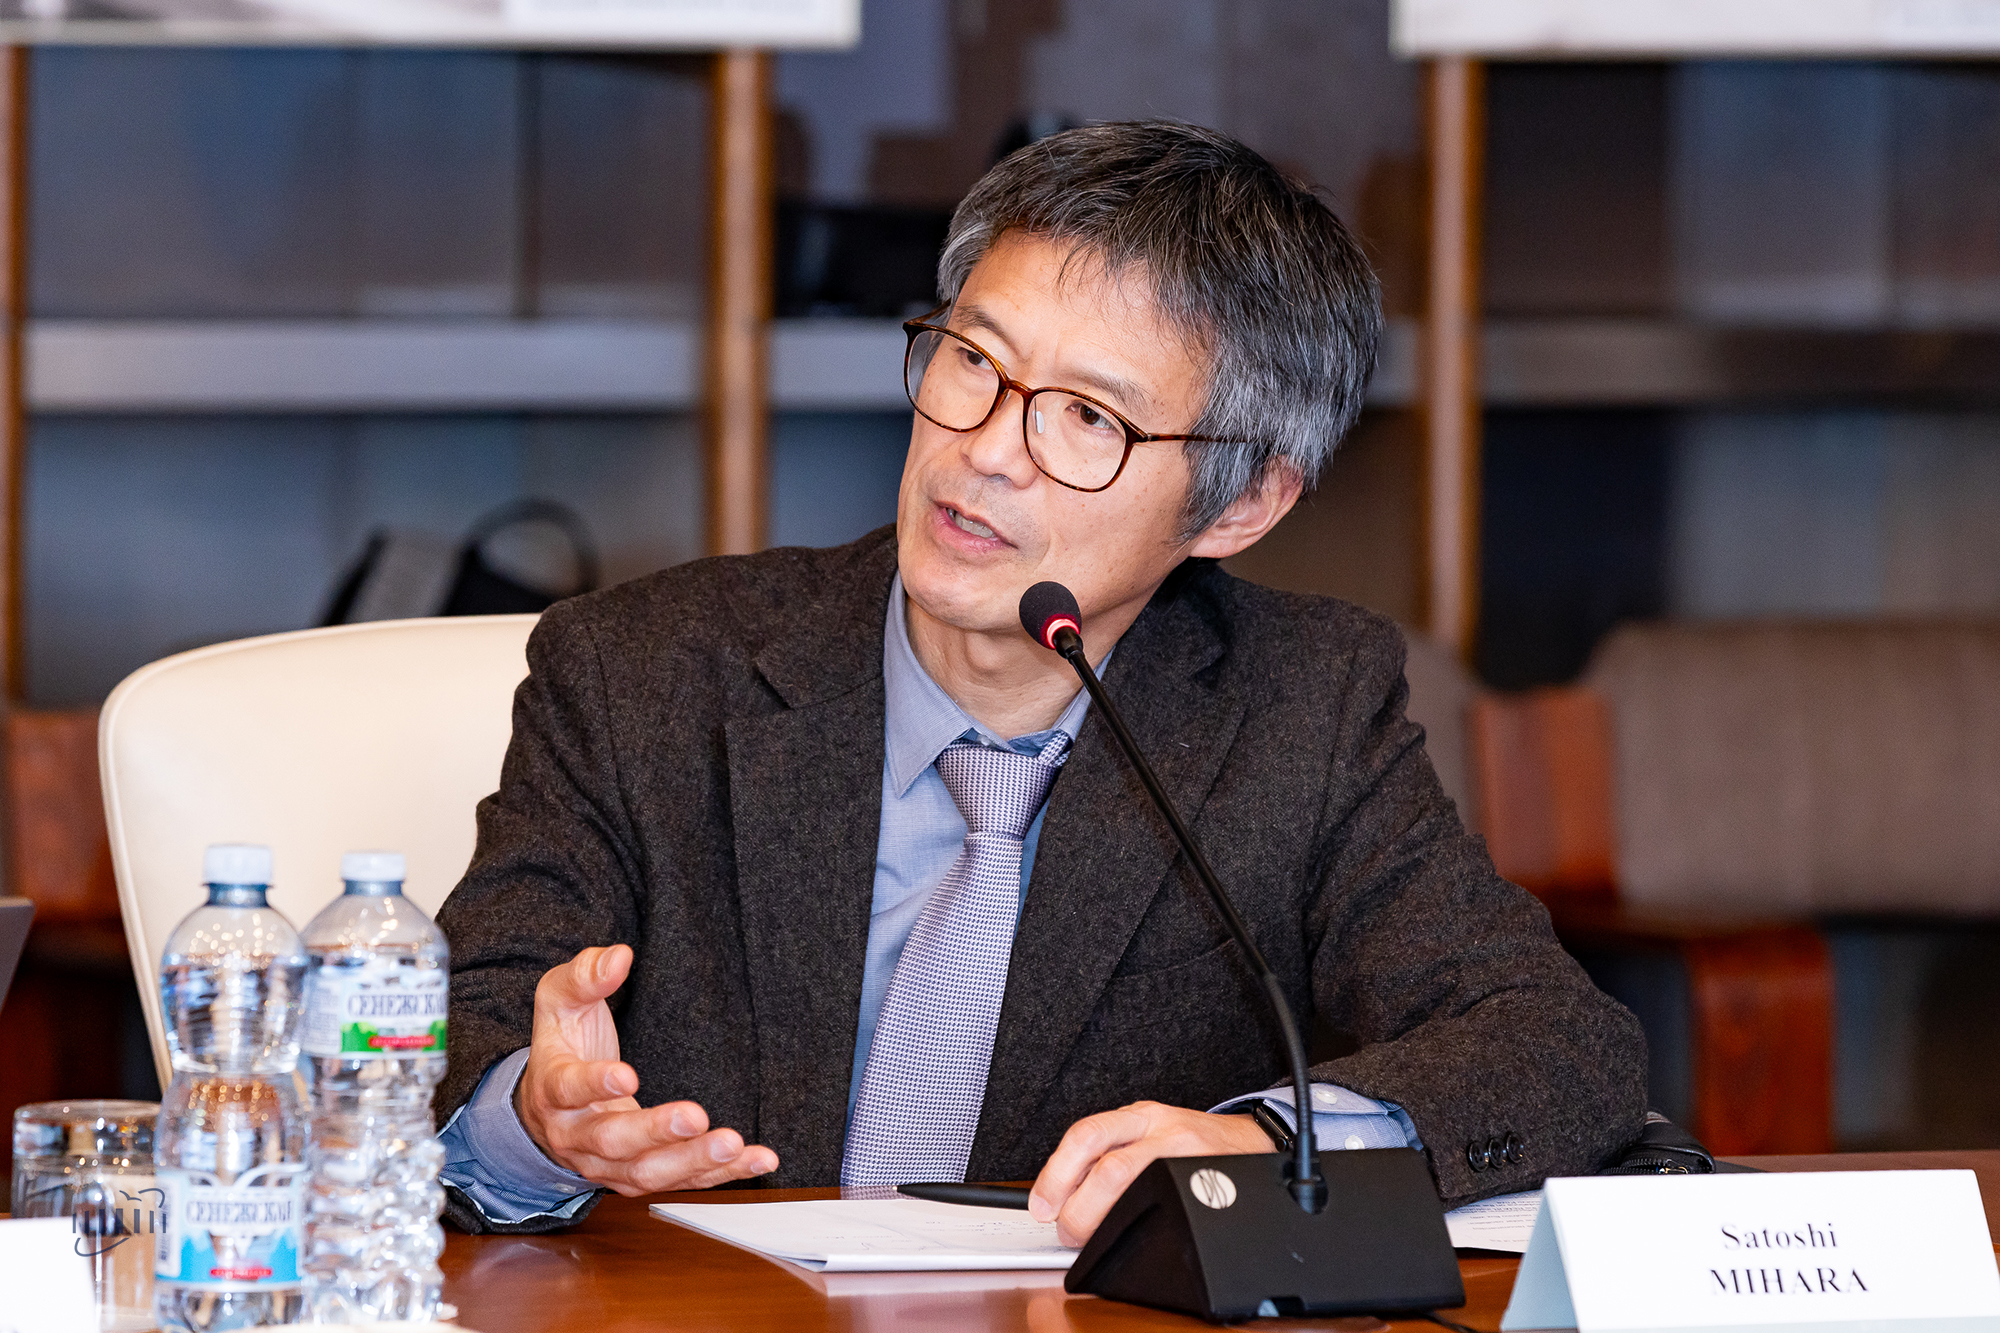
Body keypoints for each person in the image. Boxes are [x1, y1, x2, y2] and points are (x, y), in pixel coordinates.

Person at [434, 120, 1647, 1242]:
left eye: (1086, 419)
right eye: (973, 359)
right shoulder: (643, 670)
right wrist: (533, 1119)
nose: (985, 450)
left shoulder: (1300, 707)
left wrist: (1264, 1147)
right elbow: (446, 1032)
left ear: (1240, 504)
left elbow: (1553, 1042)